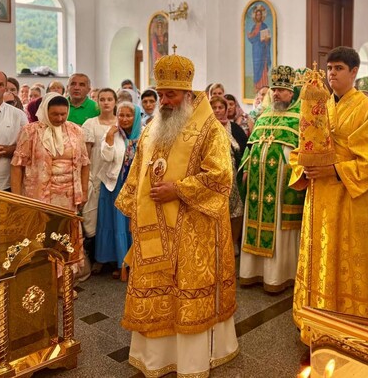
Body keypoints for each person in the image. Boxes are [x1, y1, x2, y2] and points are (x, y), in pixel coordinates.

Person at [115, 51, 238, 377]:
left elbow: (221, 178)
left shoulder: (209, 129)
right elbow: (138, 168)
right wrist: (133, 208)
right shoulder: (153, 127)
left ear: (186, 93)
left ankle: (191, 360)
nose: (164, 101)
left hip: (193, 229)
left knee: (185, 291)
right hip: (152, 228)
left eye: (170, 95)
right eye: (161, 94)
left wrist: (179, 189)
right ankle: (156, 357)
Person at [289, 46, 368, 350]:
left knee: (346, 262)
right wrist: (305, 169)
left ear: (354, 72)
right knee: (319, 258)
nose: (332, 74)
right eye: (330, 68)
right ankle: (317, 321)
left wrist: (333, 169)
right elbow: (301, 147)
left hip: (349, 202)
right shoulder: (319, 105)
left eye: (339, 68)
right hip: (318, 199)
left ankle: (351, 327)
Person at [239, 65, 306, 293]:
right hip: (257, 186)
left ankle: (279, 276)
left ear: (292, 92)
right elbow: (250, 146)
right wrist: (245, 167)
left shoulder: (301, 118)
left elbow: (306, 150)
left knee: (279, 230)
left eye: (281, 90)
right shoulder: (264, 115)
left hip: (283, 188)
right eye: (274, 90)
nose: (276, 94)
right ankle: (252, 273)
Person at [11, 93, 90, 275]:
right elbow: (17, 165)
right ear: (45, 111)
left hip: (68, 196)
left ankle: (65, 281)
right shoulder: (30, 131)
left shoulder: (76, 131)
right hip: (39, 196)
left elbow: (85, 163)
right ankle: (43, 280)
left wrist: (84, 192)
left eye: (63, 114)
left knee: (65, 239)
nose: (60, 118)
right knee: (41, 238)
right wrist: (16, 198)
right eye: (55, 114)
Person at [95, 101, 140, 281]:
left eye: (129, 115)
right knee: (115, 223)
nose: (124, 119)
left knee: (132, 224)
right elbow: (106, 157)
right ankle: (118, 262)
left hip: (137, 186)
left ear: (135, 117)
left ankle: (134, 261)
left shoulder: (144, 133)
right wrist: (110, 138)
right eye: (121, 115)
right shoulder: (112, 132)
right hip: (115, 184)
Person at [81, 88, 118, 267]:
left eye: (109, 99)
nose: (106, 102)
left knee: (113, 215)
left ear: (115, 102)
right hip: (95, 174)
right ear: (97, 102)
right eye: (102, 99)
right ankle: (98, 258)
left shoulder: (120, 122)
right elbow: (85, 154)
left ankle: (116, 257)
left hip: (116, 175)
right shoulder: (90, 124)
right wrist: (86, 178)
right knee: (94, 217)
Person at [210, 95, 246, 254]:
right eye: (214, 108)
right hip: (214, 176)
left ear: (226, 109)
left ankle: (232, 243)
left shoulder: (235, 128)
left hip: (234, 176)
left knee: (237, 211)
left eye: (221, 107)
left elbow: (245, 150)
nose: (217, 111)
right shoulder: (206, 128)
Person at [247, 5, 272, 91]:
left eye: (260, 15)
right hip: (255, 51)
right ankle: (257, 86)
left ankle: (264, 86)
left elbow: (268, 39)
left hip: (262, 51)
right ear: (255, 16)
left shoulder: (264, 26)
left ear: (262, 16)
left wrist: (266, 40)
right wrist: (249, 36)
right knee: (256, 67)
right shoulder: (254, 27)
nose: (258, 16)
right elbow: (252, 39)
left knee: (263, 66)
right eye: (257, 15)